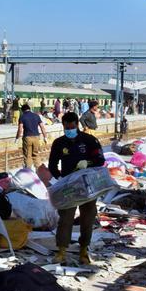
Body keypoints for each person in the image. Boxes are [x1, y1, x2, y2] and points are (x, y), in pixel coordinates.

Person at [47, 112, 105, 265]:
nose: (69, 130)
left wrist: (88, 163)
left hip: (87, 184)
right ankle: (61, 251)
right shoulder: (59, 143)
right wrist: (59, 179)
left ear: (77, 125)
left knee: (88, 217)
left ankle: (84, 250)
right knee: (65, 218)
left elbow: (100, 159)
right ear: (63, 126)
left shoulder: (89, 140)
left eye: (72, 127)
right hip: (69, 186)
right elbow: (52, 165)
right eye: (66, 127)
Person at [15, 104, 48, 169]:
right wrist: (45, 137)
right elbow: (42, 127)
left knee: (28, 156)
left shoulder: (22, 116)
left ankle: (28, 171)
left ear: (23, 110)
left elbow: (20, 129)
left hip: (27, 138)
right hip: (36, 137)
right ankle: (39, 171)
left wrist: (17, 138)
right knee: (36, 154)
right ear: (29, 109)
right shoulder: (36, 116)